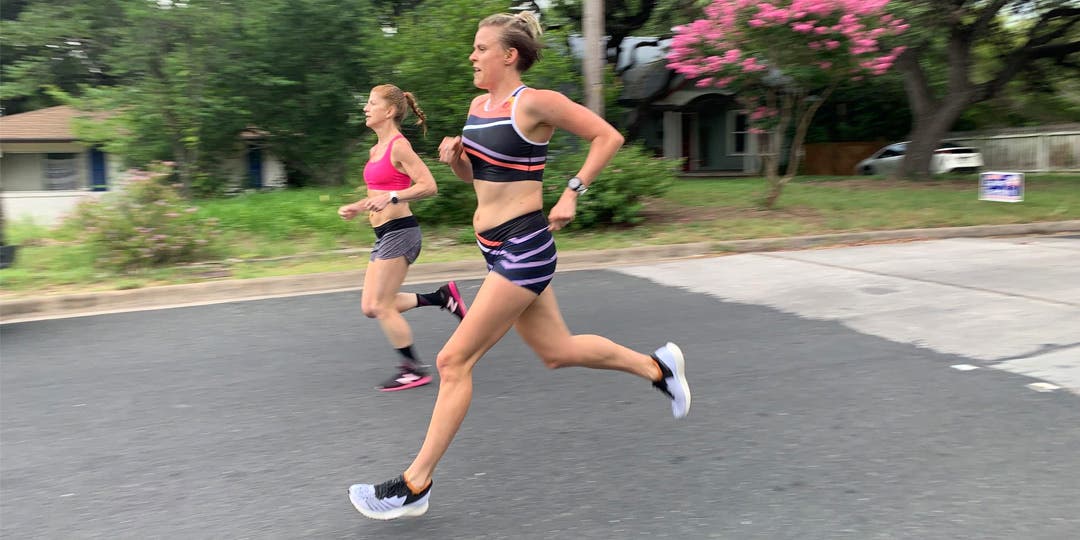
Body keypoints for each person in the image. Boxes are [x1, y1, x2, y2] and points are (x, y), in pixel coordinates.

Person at [348, 13, 689, 520]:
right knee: (557, 351)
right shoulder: (477, 107)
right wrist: (455, 161)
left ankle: (414, 485)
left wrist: (573, 192)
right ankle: (657, 367)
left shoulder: (534, 102)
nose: (472, 56)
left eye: (481, 48)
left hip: (525, 245)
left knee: (451, 362)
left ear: (508, 55)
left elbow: (607, 137)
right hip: (492, 245)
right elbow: (480, 178)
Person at [338, 84, 469, 392]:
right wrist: (358, 207)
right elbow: (378, 194)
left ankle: (412, 369)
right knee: (371, 306)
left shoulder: (399, 146)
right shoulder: (375, 150)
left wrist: (393, 198)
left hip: (402, 233)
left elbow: (429, 185)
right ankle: (441, 298)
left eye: (372, 103)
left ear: (390, 110)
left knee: (382, 305)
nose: (366, 108)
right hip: (383, 234)